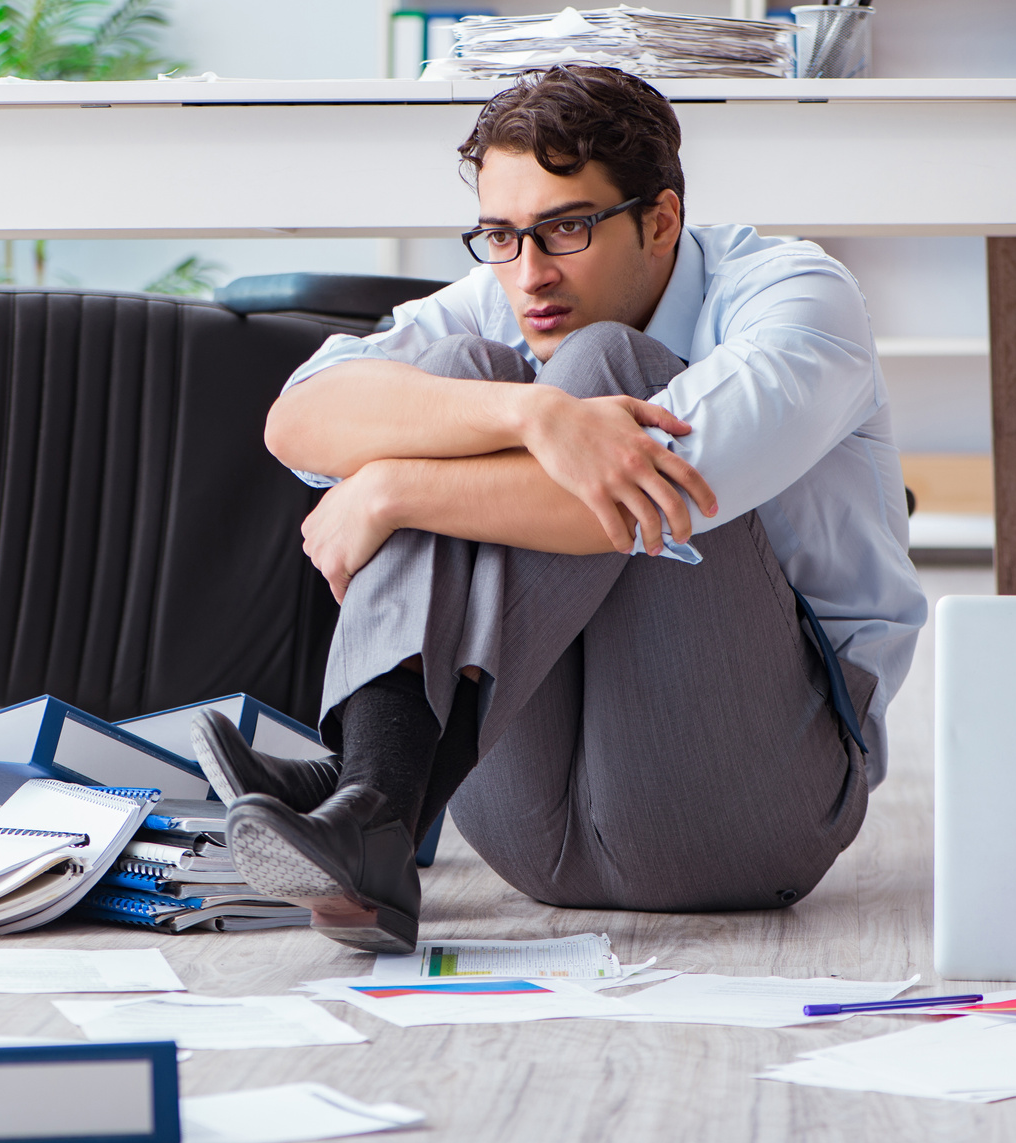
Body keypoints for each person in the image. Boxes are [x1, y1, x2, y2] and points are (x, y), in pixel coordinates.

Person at [192, 65, 927, 954]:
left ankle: (378, 782)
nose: (529, 272)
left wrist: (391, 486)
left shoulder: (795, 299)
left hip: (750, 806)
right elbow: (297, 416)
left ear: (659, 221)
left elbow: (626, 505)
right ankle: (376, 803)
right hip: (527, 838)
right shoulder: (513, 289)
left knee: (602, 368)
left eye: (565, 229)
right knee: (463, 376)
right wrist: (525, 412)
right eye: (500, 235)